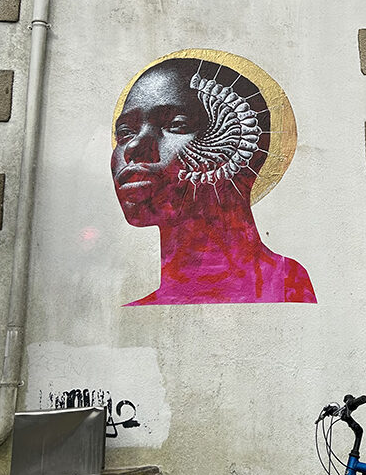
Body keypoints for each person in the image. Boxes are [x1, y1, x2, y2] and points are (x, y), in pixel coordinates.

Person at [111, 54, 316, 305]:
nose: (134, 146)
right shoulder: (141, 313)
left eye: (177, 125)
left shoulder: (287, 283)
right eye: (125, 132)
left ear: (243, 148)